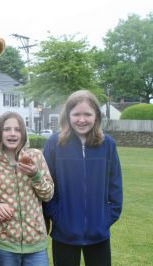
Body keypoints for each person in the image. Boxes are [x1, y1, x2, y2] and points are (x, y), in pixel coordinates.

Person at [43, 90, 123, 266]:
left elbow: (115, 185)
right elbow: (46, 185)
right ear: (68, 115)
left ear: (96, 116)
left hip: (98, 234)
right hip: (64, 233)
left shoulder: (107, 144)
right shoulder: (54, 144)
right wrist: (57, 215)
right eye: (76, 114)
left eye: (87, 114)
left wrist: (106, 218)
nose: (81, 119)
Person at [0, 111, 54, 266]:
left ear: (23, 133)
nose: (12, 134)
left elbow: (48, 194)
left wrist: (35, 175)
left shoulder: (36, 157)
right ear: (0, 133)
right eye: (7, 129)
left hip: (36, 243)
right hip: (5, 244)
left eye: (18, 129)